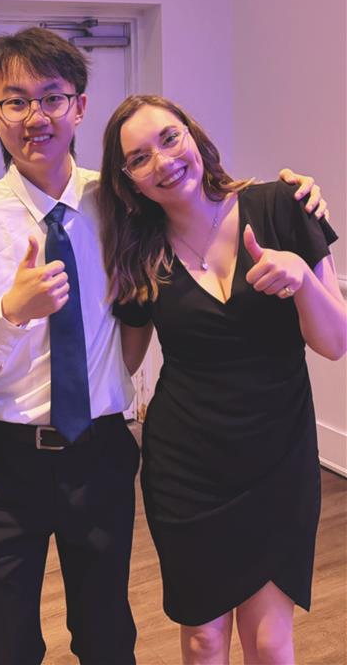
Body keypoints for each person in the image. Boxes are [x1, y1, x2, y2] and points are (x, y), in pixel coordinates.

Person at [0, 26, 325, 665]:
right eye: (15, 101)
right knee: (8, 639)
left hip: (101, 451)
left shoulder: (123, 202)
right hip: (6, 463)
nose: (36, 116)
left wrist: (295, 198)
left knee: (108, 635)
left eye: (53, 97)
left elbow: (206, 205)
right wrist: (11, 312)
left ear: (79, 107)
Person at [98, 94, 345, 665]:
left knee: (269, 642)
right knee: (205, 639)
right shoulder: (140, 253)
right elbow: (121, 364)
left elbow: (335, 343)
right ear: (129, 181)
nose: (162, 162)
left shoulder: (283, 205)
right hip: (187, 467)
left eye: (169, 138)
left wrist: (302, 278)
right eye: (138, 158)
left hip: (278, 456)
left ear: (193, 135)